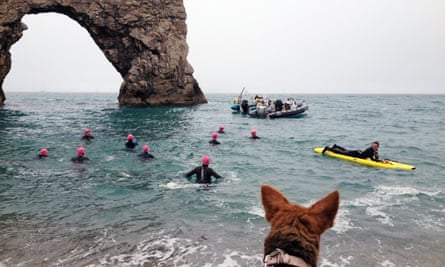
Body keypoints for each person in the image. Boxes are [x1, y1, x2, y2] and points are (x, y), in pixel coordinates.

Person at [322, 141, 387, 162]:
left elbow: (376, 158)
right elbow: (372, 159)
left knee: (346, 150)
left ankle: (336, 146)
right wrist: (381, 161)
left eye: (375, 146)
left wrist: (377, 156)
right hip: (356, 154)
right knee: (342, 153)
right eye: (373, 146)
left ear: (378, 147)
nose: (374, 147)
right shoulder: (370, 150)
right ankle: (328, 148)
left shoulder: (374, 150)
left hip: (359, 152)